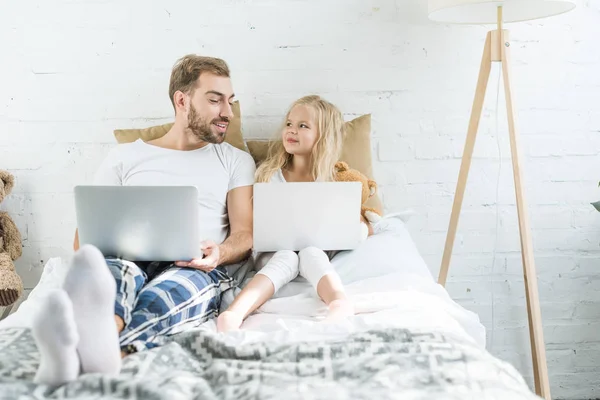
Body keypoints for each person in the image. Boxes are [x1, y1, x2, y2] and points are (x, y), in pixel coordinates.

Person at [30, 54, 256, 386]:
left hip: (195, 267)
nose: (228, 112)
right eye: (215, 99)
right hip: (127, 259)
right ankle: (100, 340)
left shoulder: (235, 160)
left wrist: (218, 253)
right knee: (113, 274)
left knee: (164, 296)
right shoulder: (125, 157)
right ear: (182, 99)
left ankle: (89, 357)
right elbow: (83, 243)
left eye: (230, 101)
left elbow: (245, 234)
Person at [217, 95, 366, 332]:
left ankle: (339, 301)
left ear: (323, 136)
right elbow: (256, 221)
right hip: (273, 251)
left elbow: (355, 224)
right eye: (289, 123)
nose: (292, 130)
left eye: (302, 126)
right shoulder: (269, 174)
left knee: (310, 252)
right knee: (287, 256)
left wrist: (359, 226)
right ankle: (233, 314)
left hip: (316, 248)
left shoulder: (331, 181)